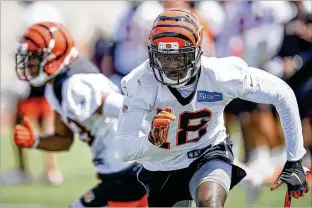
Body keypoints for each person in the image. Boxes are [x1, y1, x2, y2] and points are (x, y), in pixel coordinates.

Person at [115, 8, 310, 207]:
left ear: (197, 52)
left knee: (210, 202)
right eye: (164, 58)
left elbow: (282, 93)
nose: (171, 67)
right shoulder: (139, 83)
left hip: (208, 153)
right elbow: (124, 149)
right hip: (162, 165)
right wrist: (150, 142)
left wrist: (295, 159)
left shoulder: (220, 75)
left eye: (179, 58)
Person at [13, 22, 147, 207]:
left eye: (34, 58)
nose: (29, 64)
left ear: (53, 57)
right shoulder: (55, 87)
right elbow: (64, 139)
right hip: (119, 172)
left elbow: (129, 107)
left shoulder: (75, 86)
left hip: (131, 171)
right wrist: (35, 141)